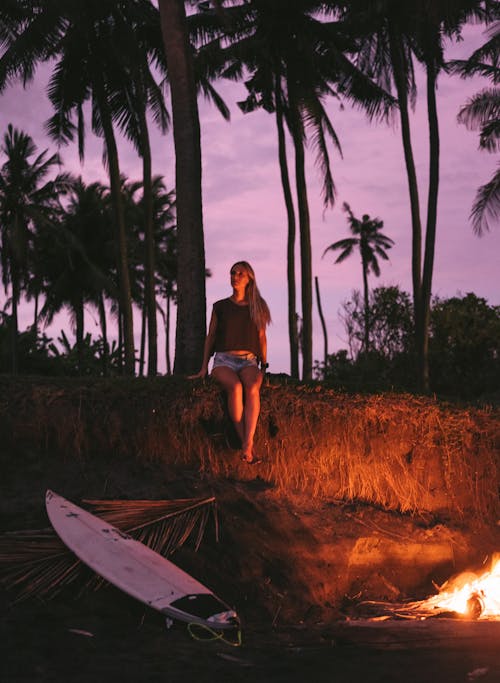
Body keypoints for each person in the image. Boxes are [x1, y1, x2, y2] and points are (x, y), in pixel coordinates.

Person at [190, 261, 271, 464]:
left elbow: (262, 337)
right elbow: (211, 336)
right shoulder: (220, 306)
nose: (235, 276)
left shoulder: (257, 307)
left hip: (249, 361)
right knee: (235, 388)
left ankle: (247, 443)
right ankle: (247, 444)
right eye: (233, 273)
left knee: (252, 387)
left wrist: (264, 363)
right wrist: (203, 368)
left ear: (249, 279)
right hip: (223, 360)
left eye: (240, 274)